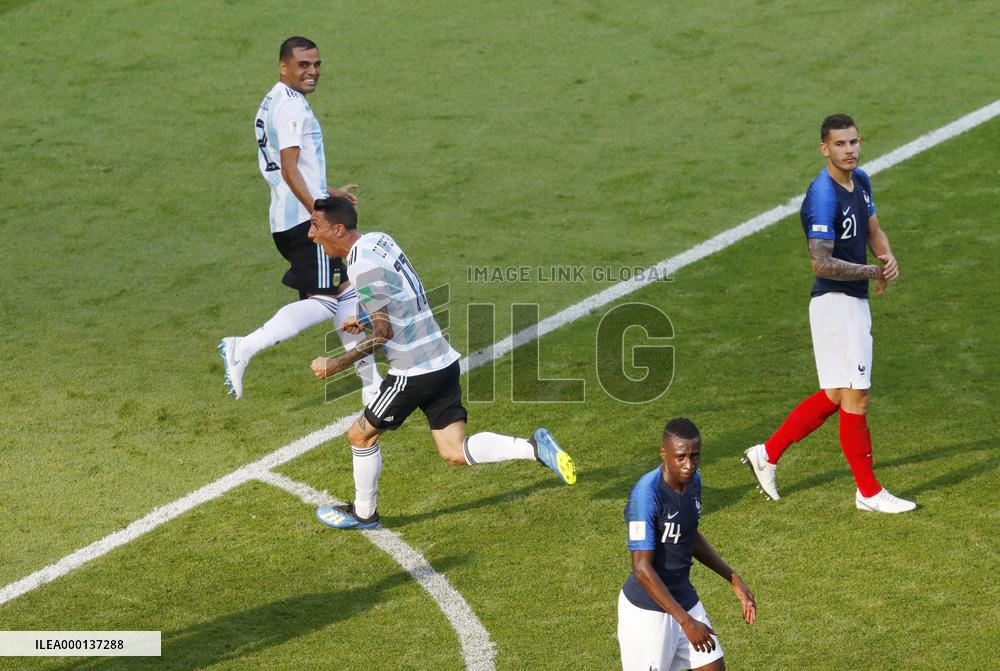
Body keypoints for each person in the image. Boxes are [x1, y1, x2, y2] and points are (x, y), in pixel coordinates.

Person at [305, 197, 577, 529]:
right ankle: (534, 448)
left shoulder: (359, 266)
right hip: (442, 362)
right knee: (454, 451)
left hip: (413, 372)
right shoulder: (379, 240)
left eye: (315, 225)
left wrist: (335, 364)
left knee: (360, 436)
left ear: (339, 229)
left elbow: (384, 333)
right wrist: (365, 316)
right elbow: (401, 292)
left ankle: (365, 514)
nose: (310, 234)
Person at [742, 114, 916, 514]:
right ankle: (868, 492)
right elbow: (820, 263)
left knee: (837, 393)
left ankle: (766, 454)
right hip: (835, 303)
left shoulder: (862, 181)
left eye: (854, 142)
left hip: (852, 302)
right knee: (858, 395)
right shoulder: (822, 195)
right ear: (825, 149)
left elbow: (873, 230)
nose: (850, 150)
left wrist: (885, 256)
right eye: (840, 144)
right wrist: (871, 270)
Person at [219, 36, 381, 402]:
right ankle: (242, 346)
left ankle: (371, 386)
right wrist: (318, 212)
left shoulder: (273, 99)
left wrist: (327, 191)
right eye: (303, 65)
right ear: (284, 66)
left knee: (345, 293)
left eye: (317, 64)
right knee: (327, 299)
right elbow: (290, 167)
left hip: (286, 214)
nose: (312, 71)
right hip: (299, 219)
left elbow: (287, 167)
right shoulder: (291, 108)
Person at [619, 418, 756, 671]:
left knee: (713, 666)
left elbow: (688, 534)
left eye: (695, 456)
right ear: (664, 453)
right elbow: (641, 568)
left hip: (684, 598)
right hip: (648, 612)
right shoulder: (646, 495)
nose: (689, 465)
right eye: (680, 457)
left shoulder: (694, 482)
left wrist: (732, 577)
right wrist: (685, 621)